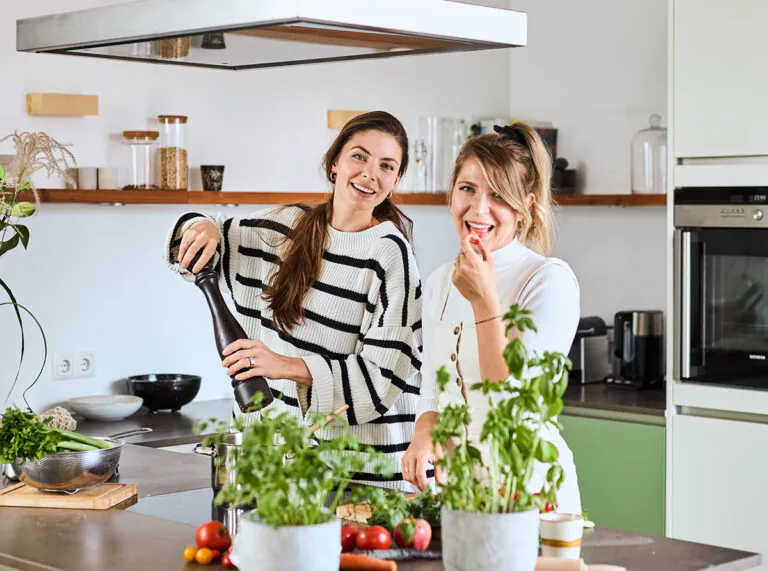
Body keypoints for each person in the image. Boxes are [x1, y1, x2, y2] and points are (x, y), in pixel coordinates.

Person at [164, 111, 423, 491]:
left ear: (395, 180)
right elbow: (197, 247)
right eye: (359, 156)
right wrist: (200, 227)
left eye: (387, 166)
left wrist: (283, 366)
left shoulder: (390, 255)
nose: (370, 173)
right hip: (276, 468)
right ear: (335, 163)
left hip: (357, 479)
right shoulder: (285, 226)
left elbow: (381, 381)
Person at [401, 123, 582, 514]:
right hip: (460, 494)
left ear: (524, 208)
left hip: (527, 490)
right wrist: (423, 433)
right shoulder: (439, 282)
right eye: (467, 189)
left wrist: (485, 301)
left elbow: (511, 399)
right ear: (451, 194)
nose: (478, 209)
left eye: (498, 195)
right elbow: (433, 384)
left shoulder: (548, 281)